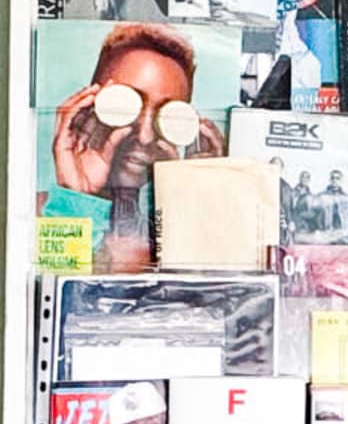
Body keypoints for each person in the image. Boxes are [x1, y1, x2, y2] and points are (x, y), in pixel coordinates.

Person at [49, 23, 224, 273]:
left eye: (166, 117)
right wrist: (75, 200)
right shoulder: (37, 212)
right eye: (124, 108)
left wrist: (196, 205)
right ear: (88, 107)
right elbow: (50, 289)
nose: (144, 136)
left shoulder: (169, 234)